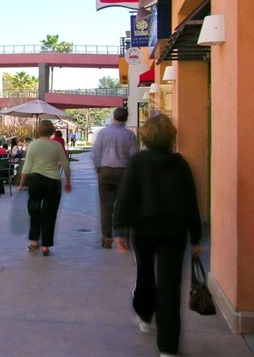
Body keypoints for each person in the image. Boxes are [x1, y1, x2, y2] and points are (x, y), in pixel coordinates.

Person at [113, 113, 202, 357]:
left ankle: (144, 314)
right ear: (171, 137)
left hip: (143, 230)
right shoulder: (180, 164)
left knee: (145, 274)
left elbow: (126, 197)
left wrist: (120, 229)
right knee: (170, 286)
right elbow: (190, 203)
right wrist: (195, 237)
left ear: (147, 136)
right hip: (174, 232)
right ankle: (168, 348)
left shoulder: (138, 161)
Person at [17, 120, 71, 256]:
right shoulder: (57, 146)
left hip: (35, 180)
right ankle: (46, 245)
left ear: (38, 130)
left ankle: (35, 241)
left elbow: (27, 167)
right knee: (50, 213)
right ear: (52, 131)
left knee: (34, 210)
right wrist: (68, 181)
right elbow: (65, 164)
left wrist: (21, 184)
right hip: (53, 182)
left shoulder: (33, 145)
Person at [92, 107, 139, 249]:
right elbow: (133, 157)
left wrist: (99, 169)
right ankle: (123, 237)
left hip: (105, 170)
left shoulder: (102, 133)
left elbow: (96, 153)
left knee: (106, 206)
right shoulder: (130, 135)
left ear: (113, 117)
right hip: (123, 171)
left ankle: (106, 238)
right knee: (124, 205)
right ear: (126, 118)